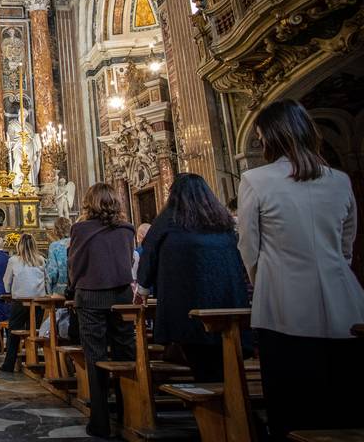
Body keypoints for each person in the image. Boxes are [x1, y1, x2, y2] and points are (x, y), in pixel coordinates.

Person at [238, 99, 364, 439]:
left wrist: (261, 281)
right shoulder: (339, 180)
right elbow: (346, 244)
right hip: (344, 302)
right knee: (343, 399)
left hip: (282, 304)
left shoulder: (255, 180)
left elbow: (249, 245)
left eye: (262, 136)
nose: (261, 143)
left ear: (272, 137)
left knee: (292, 401)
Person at [135, 174, 249, 382]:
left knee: (203, 362)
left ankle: (223, 405)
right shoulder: (220, 219)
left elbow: (149, 253)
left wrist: (142, 289)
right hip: (226, 301)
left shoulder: (169, 218)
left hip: (187, 302)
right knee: (225, 357)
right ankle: (232, 401)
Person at [68, 183, 136, 438]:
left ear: (89, 203)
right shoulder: (127, 230)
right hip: (121, 296)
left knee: (95, 356)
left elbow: (75, 263)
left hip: (90, 296)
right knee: (126, 353)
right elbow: (129, 262)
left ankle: (100, 421)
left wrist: (74, 286)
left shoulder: (80, 230)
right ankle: (129, 410)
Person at [0, 233, 48, 373]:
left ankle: (9, 364)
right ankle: (34, 359)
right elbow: (46, 278)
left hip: (20, 302)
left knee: (14, 332)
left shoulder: (14, 260)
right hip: (38, 302)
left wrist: (10, 291)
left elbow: (6, 281)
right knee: (35, 330)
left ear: (19, 245)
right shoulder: (41, 259)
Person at [46, 217, 72, 296]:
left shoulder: (55, 246)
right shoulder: (77, 242)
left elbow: (52, 272)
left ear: (56, 231)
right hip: (77, 289)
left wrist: (49, 291)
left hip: (61, 290)